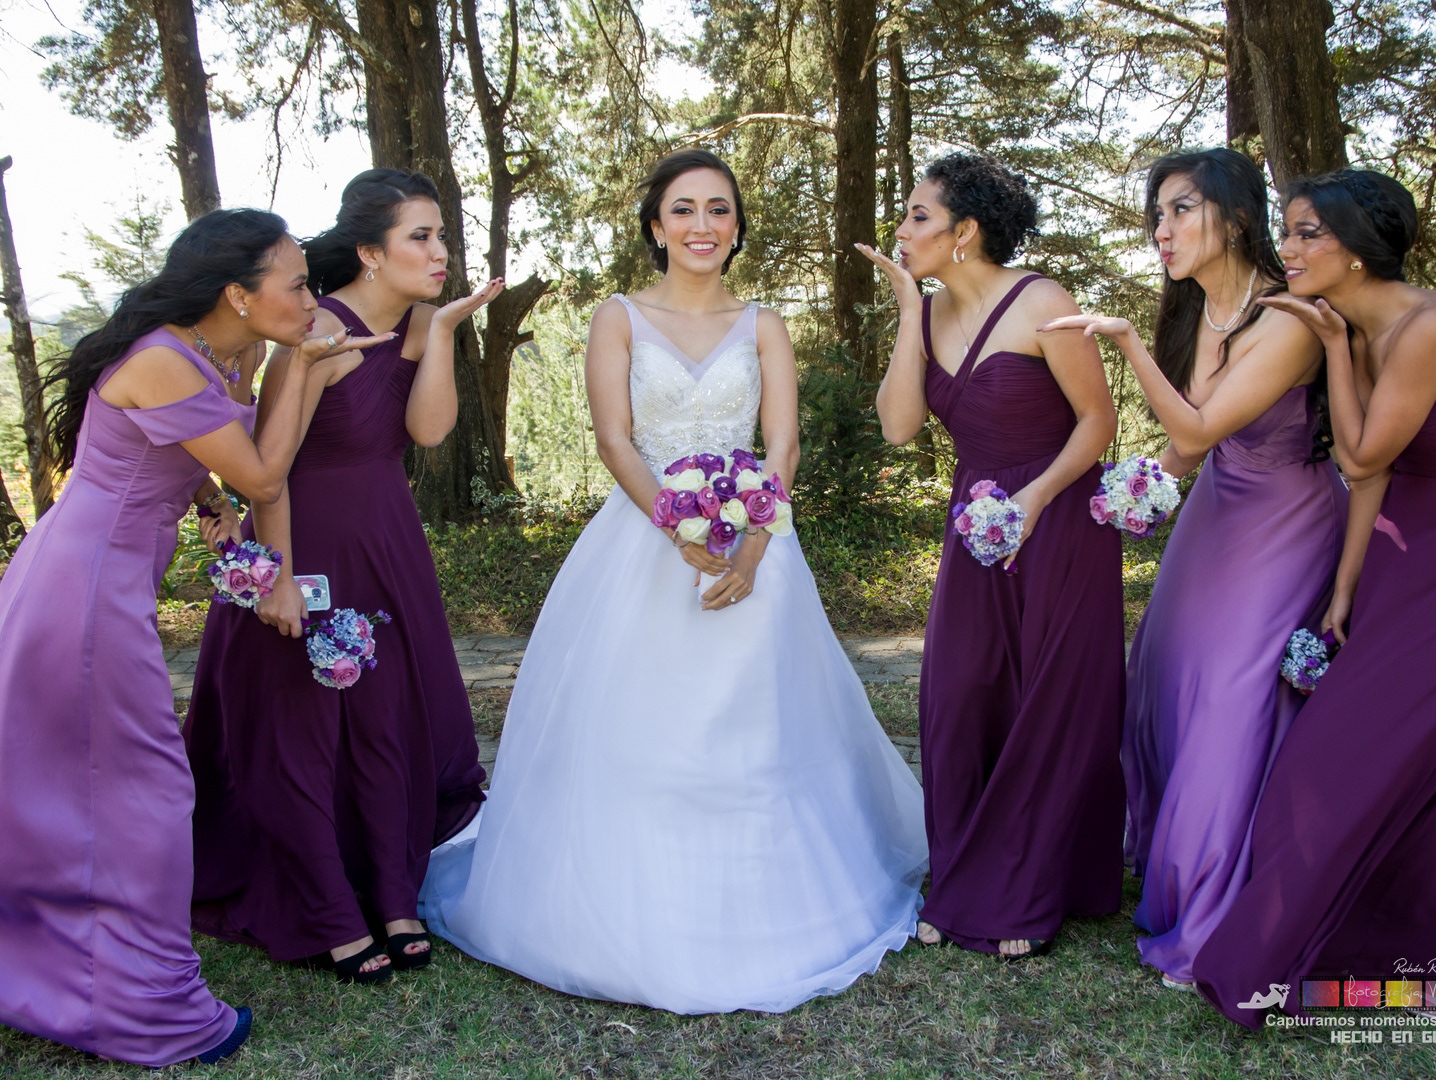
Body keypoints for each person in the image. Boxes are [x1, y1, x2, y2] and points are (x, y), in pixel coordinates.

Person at [419, 149, 927, 1013]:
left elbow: (783, 446)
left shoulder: (765, 323)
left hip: (755, 542)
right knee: (638, 718)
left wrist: (754, 542)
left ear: (735, 229)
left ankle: (769, 898)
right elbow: (615, 438)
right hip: (644, 539)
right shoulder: (618, 316)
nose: (702, 225)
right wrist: (678, 527)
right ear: (656, 226)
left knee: (755, 725)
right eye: (683, 209)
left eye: (719, 210)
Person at [0, 209, 390, 1064]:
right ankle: (147, 1010)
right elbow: (261, 470)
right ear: (238, 295)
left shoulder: (201, 352)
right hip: (85, 595)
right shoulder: (163, 360)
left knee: (75, 783)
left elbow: (203, 469)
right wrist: (301, 371)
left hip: (90, 582)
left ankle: (64, 971)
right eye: (296, 285)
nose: (312, 298)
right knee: (141, 792)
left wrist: (211, 507)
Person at [1192, 170, 1436, 1025]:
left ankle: (1292, 955)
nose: (1286, 249)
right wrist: (1345, 588)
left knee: (1344, 758)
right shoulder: (1361, 327)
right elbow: (1374, 479)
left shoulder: (1430, 327)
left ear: (1357, 247)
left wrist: (1327, 348)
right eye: (1285, 232)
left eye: (1306, 233)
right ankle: (1420, 947)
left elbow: (1359, 458)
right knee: (1404, 762)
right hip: (1412, 558)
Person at [1036, 148, 1346, 988]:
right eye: (1156, 215)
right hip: (1215, 511)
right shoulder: (1195, 314)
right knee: (1165, 675)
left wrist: (1128, 344)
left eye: (1180, 210)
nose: (1162, 230)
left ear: (1236, 218)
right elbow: (1186, 447)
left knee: (1231, 699)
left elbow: (1203, 426)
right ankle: (1174, 867)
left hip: (1285, 520)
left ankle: (1223, 903)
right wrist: (1137, 491)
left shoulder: (1286, 319)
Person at [185, 170, 498, 983]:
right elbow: (268, 471)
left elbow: (427, 433)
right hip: (307, 540)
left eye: (441, 235)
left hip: (386, 540)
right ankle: (327, 909)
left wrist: (446, 329)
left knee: (387, 716)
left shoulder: (423, 321)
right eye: (419, 237)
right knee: (308, 729)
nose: (440, 251)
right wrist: (280, 574)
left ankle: (394, 896)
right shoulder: (316, 325)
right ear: (369, 250)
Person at [861, 151, 1123, 959]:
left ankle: (1028, 890)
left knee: (1049, 699)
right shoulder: (931, 312)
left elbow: (1098, 422)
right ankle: (968, 872)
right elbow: (899, 426)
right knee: (960, 695)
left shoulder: (1041, 300)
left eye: (918, 217)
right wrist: (909, 311)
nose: (902, 231)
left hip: (1060, 514)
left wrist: (1036, 499)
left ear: (965, 231)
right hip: (976, 525)